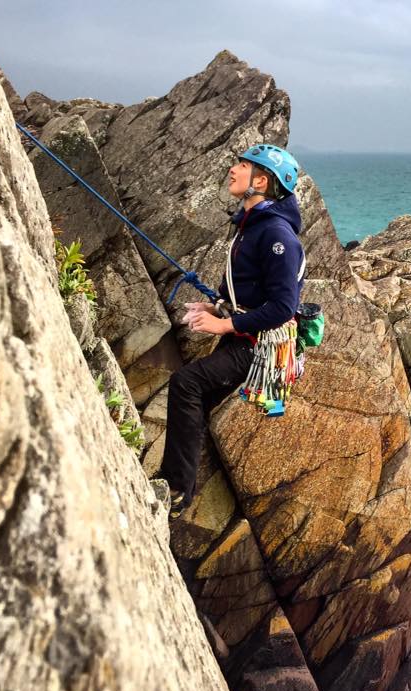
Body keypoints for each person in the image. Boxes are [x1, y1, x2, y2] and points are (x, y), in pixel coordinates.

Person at [160, 144, 305, 519]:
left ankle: (176, 489)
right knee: (196, 400)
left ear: (261, 181)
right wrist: (215, 306)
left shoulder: (277, 236)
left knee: (187, 384)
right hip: (246, 335)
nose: (232, 169)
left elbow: (282, 307)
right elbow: (250, 288)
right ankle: (179, 486)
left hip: (260, 344)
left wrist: (224, 323)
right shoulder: (251, 225)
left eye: (242, 165)